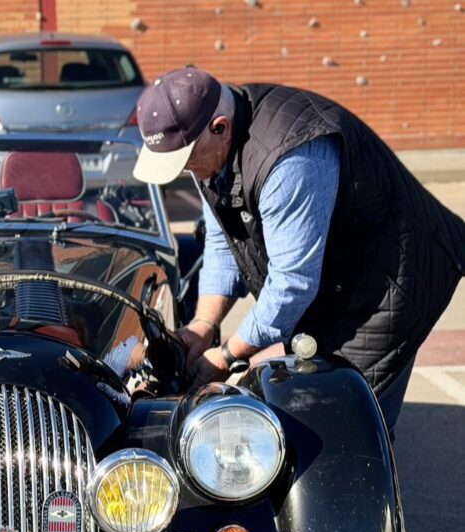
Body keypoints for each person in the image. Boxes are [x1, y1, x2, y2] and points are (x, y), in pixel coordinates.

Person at [132, 67, 465, 433]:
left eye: (186, 159)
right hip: (335, 277)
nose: (186, 171)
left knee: (349, 420)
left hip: (390, 278)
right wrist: (203, 326)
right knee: (310, 402)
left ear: (220, 127)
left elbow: (292, 283)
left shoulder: (289, 158)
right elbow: (222, 240)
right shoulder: (209, 152)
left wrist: (226, 355)